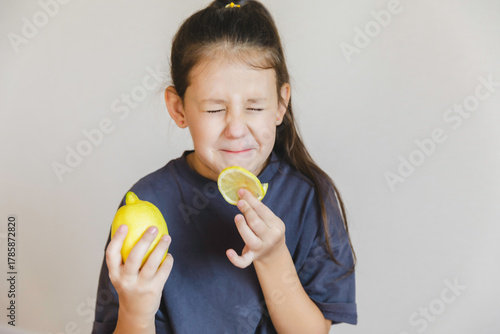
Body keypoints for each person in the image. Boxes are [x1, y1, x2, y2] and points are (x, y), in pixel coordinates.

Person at [92, 1, 357, 333]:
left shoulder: (308, 197)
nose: (236, 128)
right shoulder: (145, 202)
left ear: (280, 105)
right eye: (215, 110)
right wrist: (136, 309)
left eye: (255, 107)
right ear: (178, 108)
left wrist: (273, 258)